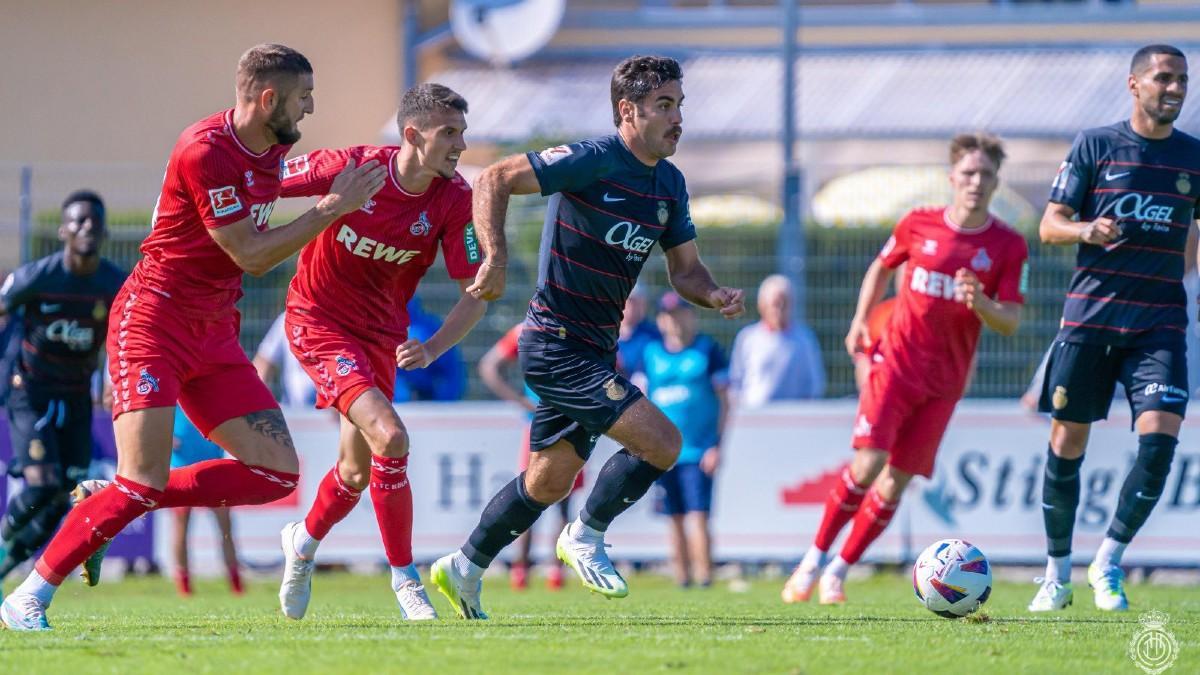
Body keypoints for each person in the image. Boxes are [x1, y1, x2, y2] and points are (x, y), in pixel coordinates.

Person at [0, 44, 386, 631]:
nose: (310, 108)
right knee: (144, 481)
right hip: (153, 322)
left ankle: (108, 497)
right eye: (303, 96)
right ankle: (26, 597)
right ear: (267, 98)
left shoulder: (275, 149)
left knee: (275, 474)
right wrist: (332, 209)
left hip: (214, 331)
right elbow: (251, 254)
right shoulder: (203, 150)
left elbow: (333, 169)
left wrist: (410, 161)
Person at [430, 55, 745, 620]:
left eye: (680, 106)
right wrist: (495, 257)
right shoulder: (592, 160)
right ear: (628, 110)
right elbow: (494, 177)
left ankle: (464, 565)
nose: (678, 119)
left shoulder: (669, 184)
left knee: (548, 482)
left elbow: (686, 273)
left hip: (596, 348)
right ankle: (586, 535)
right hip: (554, 343)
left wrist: (714, 293)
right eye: (664, 106)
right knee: (664, 443)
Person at [780, 132, 1028, 606]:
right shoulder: (919, 224)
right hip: (895, 365)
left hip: (945, 383)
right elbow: (880, 266)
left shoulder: (1008, 245)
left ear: (997, 183)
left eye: (987, 175)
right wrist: (859, 320)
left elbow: (1012, 321)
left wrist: (983, 304)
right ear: (953, 177)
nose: (977, 182)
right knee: (869, 464)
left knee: (897, 482)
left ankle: (838, 572)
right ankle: (810, 561)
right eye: (969, 173)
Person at [275, 83, 485, 622]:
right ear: (412, 135)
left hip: (380, 338)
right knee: (391, 435)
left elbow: (477, 292)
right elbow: (268, 182)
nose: (461, 145)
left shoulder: (454, 198)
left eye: (462, 132)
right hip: (317, 322)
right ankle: (404, 579)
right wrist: (192, 198)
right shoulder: (353, 167)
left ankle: (302, 543)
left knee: (354, 472)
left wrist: (435, 347)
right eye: (450, 134)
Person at [1028, 45, 1200, 613]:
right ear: (1134, 85)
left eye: (1182, 80)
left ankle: (1108, 562)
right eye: (1163, 79)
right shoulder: (1096, 144)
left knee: (1159, 441)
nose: (1175, 89)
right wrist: (1085, 229)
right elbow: (1049, 226)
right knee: (1066, 442)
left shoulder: (1193, 158)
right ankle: (1056, 574)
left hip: (1160, 323)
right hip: (1090, 319)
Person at [0, 191, 125, 582]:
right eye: (78, 221)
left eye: (93, 221)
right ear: (63, 231)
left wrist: (112, 382)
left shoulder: (114, 283)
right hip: (30, 392)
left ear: (104, 230)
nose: (86, 227)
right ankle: (3, 545)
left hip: (76, 394)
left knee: (65, 494)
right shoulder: (37, 277)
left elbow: (124, 336)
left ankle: (4, 568)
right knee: (42, 485)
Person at [477, 322, 579, 591]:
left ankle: (551, 571)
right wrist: (521, 401)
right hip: (544, 423)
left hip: (571, 420)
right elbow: (490, 366)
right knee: (534, 497)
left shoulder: (575, 322)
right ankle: (525, 569)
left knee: (559, 499)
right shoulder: (528, 328)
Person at [643, 292, 729, 588]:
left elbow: (725, 401)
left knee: (698, 515)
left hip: (698, 450)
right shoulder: (651, 353)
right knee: (674, 516)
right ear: (661, 320)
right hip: (664, 453)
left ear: (691, 316)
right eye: (668, 315)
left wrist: (717, 444)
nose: (675, 320)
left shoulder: (707, 350)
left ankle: (705, 577)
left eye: (681, 313)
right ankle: (682, 578)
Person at [169, 407, 243, 597]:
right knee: (181, 529)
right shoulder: (173, 391)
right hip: (181, 466)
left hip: (213, 466)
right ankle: (184, 586)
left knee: (226, 529)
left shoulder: (206, 387)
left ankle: (236, 584)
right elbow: (156, 419)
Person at [728, 275, 825, 407]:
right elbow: (735, 381)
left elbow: (814, 385)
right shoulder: (747, 338)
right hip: (755, 418)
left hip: (793, 419)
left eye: (785, 303)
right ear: (762, 305)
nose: (780, 309)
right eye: (775, 304)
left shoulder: (805, 339)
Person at [393, 296, 467, 402]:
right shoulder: (432, 325)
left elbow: (451, 372)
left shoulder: (429, 327)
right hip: (409, 400)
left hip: (427, 398)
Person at [254, 313, 317, 408]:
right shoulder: (286, 319)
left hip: (331, 415)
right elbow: (262, 362)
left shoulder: (338, 318)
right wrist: (261, 403)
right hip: (293, 411)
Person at [617, 284, 660, 378]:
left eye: (637, 303)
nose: (632, 308)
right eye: (629, 302)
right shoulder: (606, 333)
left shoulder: (655, 335)